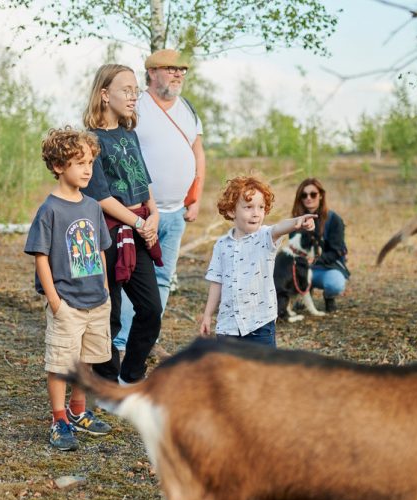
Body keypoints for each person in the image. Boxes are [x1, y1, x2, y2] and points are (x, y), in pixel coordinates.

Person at [112, 49, 206, 360]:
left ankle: (145, 339)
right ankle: (122, 343)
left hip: (176, 211)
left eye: (182, 69)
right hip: (138, 212)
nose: (178, 74)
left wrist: (195, 199)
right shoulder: (135, 106)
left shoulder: (189, 110)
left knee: (163, 280)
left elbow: (198, 155)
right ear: (152, 73)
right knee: (131, 276)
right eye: (171, 69)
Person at [25, 127, 113, 450]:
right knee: (61, 362)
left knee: (86, 358)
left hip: (95, 301)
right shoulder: (50, 210)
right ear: (59, 166)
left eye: (90, 162)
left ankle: (78, 410)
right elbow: (41, 256)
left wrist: (104, 285)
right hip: (67, 303)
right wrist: (55, 301)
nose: (88, 169)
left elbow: (101, 248)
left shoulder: (92, 206)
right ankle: (59, 419)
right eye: (79, 163)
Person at [82, 64, 163, 385]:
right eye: (126, 90)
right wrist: (141, 221)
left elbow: (143, 182)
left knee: (150, 309)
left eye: (135, 90)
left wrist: (153, 215)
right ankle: (107, 381)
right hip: (107, 234)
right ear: (104, 95)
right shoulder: (90, 140)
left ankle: (131, 373)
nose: (134, 96)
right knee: (109, 313)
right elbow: (101, 196)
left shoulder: (129, 136)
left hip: (140, 228)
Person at [200, 176, 317, 347]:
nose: (256, 213)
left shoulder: (265, 237)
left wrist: (297, 222)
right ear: (232, 211)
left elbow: (280, 227)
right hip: (227, 327)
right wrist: (207, 315)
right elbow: (217, 282)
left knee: (262, 372)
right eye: (248, 207)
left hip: (260, 325)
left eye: (261, 207)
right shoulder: (221, 245)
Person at [291, 178, 349, 312]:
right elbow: (293, 249)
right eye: (304, 195)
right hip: (302, 268)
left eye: (313, 194)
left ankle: (329, 297)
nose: (308, 198)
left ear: (321, 195)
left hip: (327, 267)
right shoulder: (296, 220)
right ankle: (304, 294)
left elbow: (337, 251)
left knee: (335, 284)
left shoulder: (334, 219)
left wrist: (314, 260)